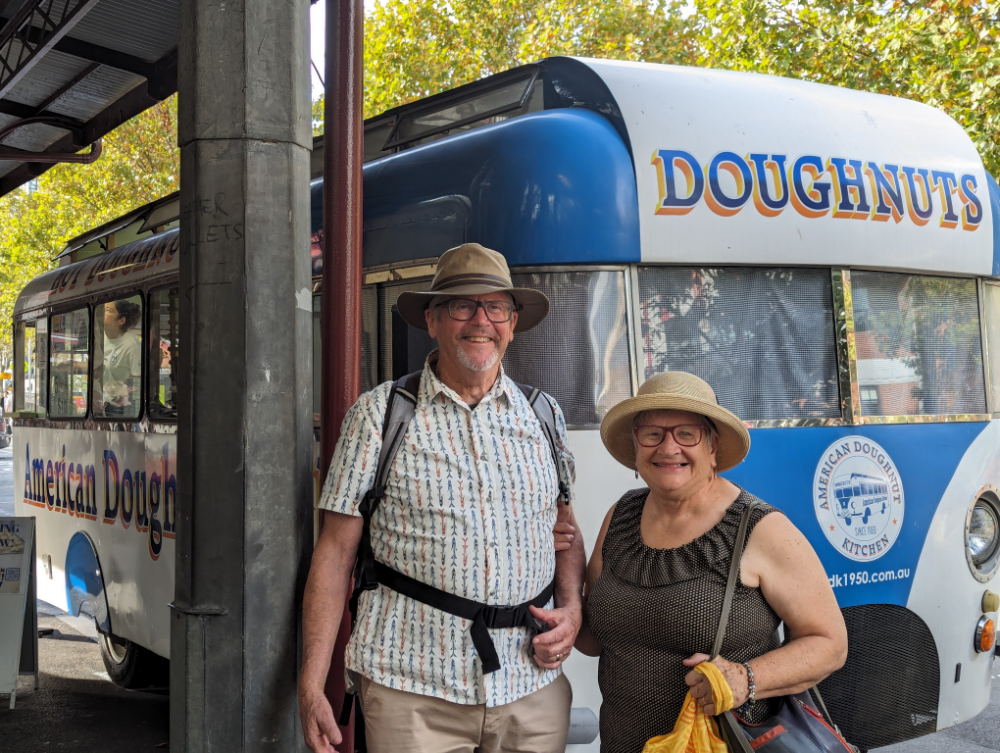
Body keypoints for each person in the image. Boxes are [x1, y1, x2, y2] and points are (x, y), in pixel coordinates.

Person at [299, 243, 587, 753]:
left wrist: (572, 609)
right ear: (432, 321)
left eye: (496, 307)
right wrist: (313, 682)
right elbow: (334, 552)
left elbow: (563, 529)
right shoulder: (380, 416)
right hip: (412, 689)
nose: (481, 320)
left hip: (531, 687)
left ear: (512, 322)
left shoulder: (543, 415)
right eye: (462, 306)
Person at [574, 371, 847, 753]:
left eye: (687, 433)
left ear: (713, 447)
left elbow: (830, 644)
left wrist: (744, 678)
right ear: (636, 446)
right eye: (652, 433)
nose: (668, 448)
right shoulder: (619, 516)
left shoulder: (760, 528)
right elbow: (593, 639)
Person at [100, 300, 142, 415]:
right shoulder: (101, 337)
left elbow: (137, 383)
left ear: (121, 320)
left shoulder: (132, 346)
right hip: (104, 402)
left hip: (121, 408)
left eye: (108, 310)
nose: (102, 312)